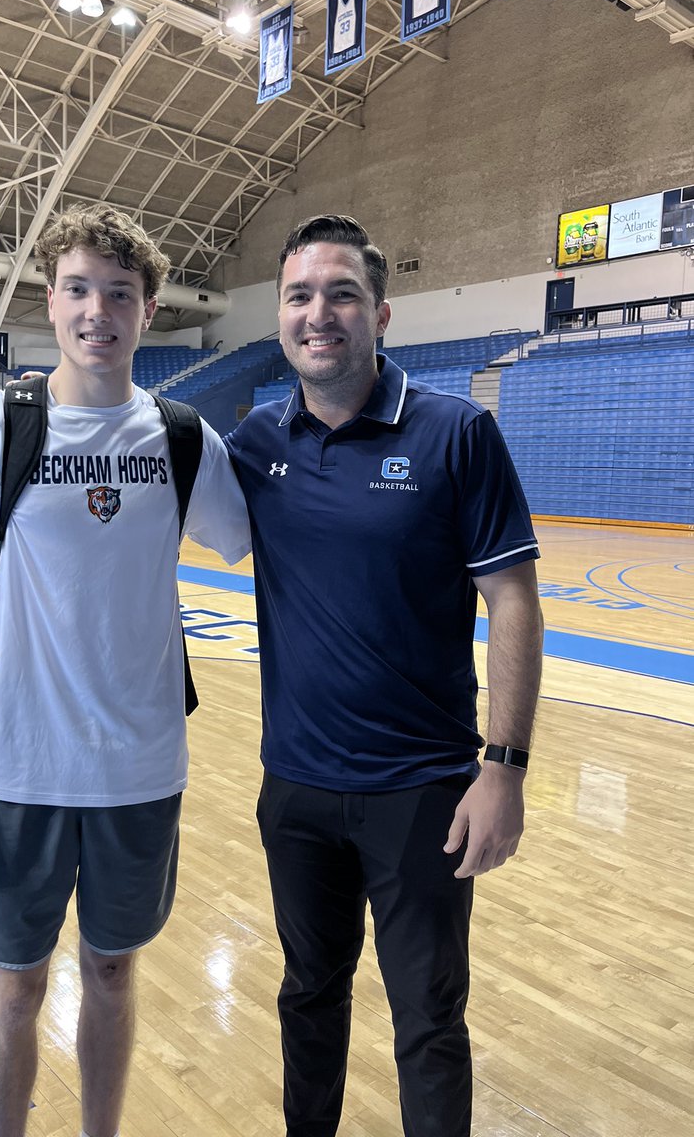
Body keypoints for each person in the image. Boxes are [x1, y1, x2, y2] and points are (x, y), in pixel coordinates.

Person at [0, 203, 250, 1137]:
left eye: (120, 294)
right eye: (78, 290)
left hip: (141, 770)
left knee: (110, 970)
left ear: (148, 311)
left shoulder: (184, 439)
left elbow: (268, 543)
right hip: (16, 770)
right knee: (15, 983)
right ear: (50, 301)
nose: (98, 311)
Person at [225, 215, 544, 1137]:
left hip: (422, 792)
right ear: (280, 315)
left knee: (429, 1022)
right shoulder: (255, 440)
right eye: (299, 296)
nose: (318, 313)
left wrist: (504, 770)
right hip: (295, 788)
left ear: (381, 313)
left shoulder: (456, 432)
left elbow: (513, 603)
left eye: (342, 294)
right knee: (307, 996)